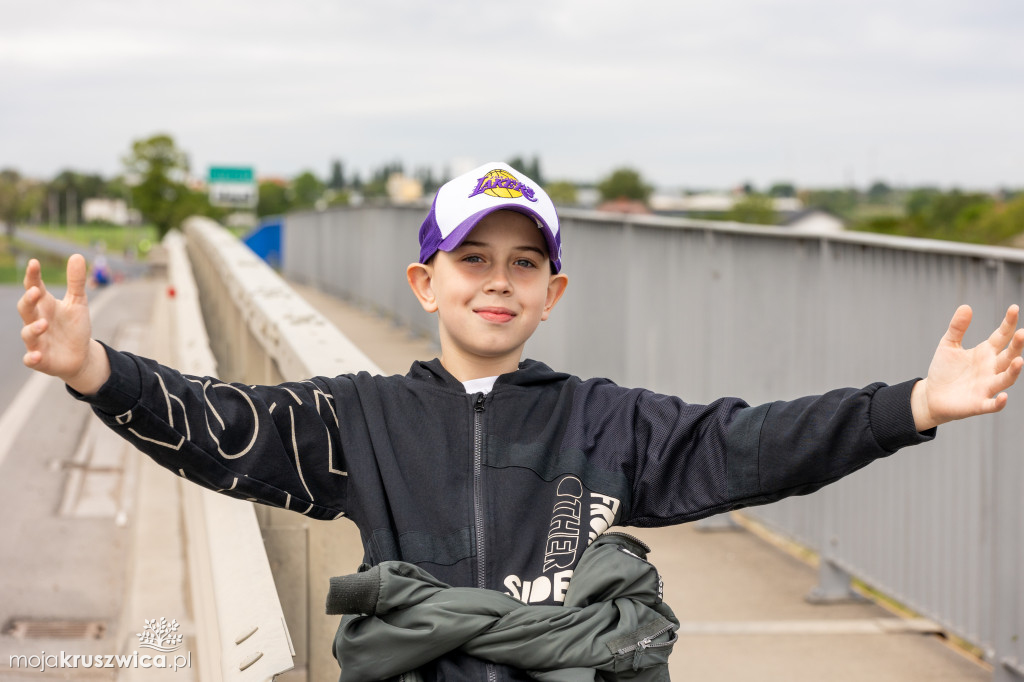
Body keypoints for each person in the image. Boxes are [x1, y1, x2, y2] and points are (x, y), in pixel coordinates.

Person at [16, 162, 1024, 681]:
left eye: (523, 263)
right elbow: (220, 427)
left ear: (553, 291)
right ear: (424, 280)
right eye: (473, 258)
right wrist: (97, 368)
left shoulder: (604, 420)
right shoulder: (358, 416)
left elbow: (747, 443)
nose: (497, 281)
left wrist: (913, 404)